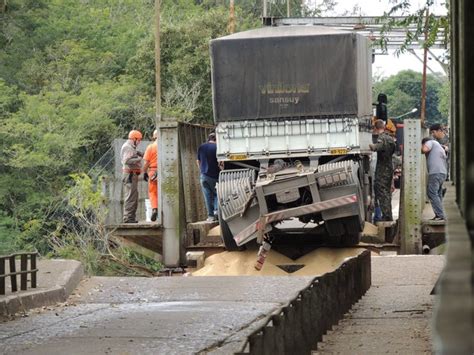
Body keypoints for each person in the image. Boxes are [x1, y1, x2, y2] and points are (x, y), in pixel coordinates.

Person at [370, 119, 396, 222]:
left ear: (375, 128)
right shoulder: (390, 138)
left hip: (382, 169)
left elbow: (377, 147)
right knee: (387, 193)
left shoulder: (382, 138)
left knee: (382, 193)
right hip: (389, 167)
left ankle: (386, 216)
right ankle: (388, 215)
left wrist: (371, 146)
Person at [422, 137, 447, 221]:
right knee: (438, 194)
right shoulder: (438, 146)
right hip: (442, 173)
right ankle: (440, 214)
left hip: (435, 173)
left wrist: (419, 149)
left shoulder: (430, 142)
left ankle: (440, 215)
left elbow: (425, 149)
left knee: (432, 193)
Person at [197, 132, 220, 222]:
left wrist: (202, 171)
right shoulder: (217, 147)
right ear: (216, 139)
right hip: (215, 175)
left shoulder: (201, 147)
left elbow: (198, 161)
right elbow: (220, 162)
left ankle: (210, 216)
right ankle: (216, 211)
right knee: (217, 194)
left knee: (207, 196)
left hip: (204, 176)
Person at [121, 130, 143, 223]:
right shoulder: (128, 147)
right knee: (130, 196)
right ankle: (128, 218)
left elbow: (131, 155)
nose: (139, 142)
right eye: (139, 140)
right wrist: (139, 159)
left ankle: (131, 218)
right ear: (134, 139)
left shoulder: (130, 147)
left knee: (133, 196)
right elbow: (127, 160)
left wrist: (138, 153)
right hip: (129, 174)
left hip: (132, 174)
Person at [143, 129, 158, 222]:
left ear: (154, 137)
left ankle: (155, 209)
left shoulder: (151, 147)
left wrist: (144, 172)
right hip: (164, 172)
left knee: (152, 192)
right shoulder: (165, 146)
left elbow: (146, 162)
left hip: (153, 171)